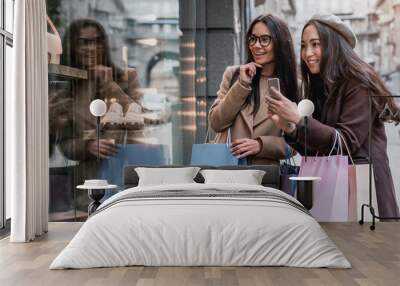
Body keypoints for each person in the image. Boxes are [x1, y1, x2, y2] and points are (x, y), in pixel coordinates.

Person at [265, 14, 400, 217]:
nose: (307, 53)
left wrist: (299, 119)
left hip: (363, 189)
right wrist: (291, 128)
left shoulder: (357, 82)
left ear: (333, 46)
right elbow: (318, 149)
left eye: (315, 44)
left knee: (364, 247)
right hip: (335, 186)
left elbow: (345, 142)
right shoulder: (322, 86)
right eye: (303, 46)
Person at [209, 14, 299, 165]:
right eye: (252, 39)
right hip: (226, 171)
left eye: (264, 39)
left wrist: (261, 145)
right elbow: (216, 123)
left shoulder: (294, 85)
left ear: (280, 42)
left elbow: (297, 143)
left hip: (266, 177)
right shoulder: (233, 75)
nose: (256, 45)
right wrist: (241, 85)